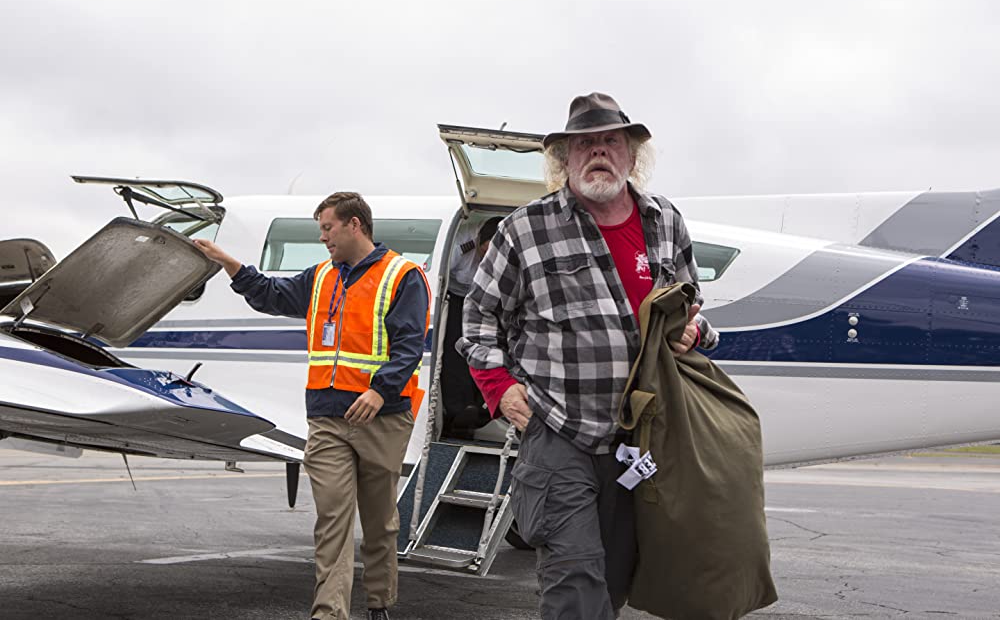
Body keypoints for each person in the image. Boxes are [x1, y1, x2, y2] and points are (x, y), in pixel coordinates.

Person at [459, 92, 719, 619]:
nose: (598, 151)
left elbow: (688, 306)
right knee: (574, 578)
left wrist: (692, 332)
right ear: (565, 158)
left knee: (616, 578)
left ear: (631, 154)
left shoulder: (666, 221)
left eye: (610, 141)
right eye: (585, 144)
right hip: (560, 432)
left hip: (640, 436)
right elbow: (478, 318)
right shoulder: (524, 229)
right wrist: (499, 388)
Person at [193, 192, 429, 620]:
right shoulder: (320, 277)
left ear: (355, 225)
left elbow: (410, 345)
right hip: (326, 418)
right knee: (332, 521)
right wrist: (228, 263)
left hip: (382, 417)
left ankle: (379, 602)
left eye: (327, 228)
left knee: (380, 523)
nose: (323, 238)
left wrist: (380, 390)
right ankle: (329, 614)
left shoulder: (403, 275)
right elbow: (270, 294)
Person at [440, 216, 503, 438]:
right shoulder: (464, 239)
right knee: (455, 350)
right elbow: (441, 270)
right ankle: (457, 408)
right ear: (478, 241)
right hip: (456, 296)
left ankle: (480, 406)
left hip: (486, 300)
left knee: (486, 350)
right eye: (484, 252)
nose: (486, 259)